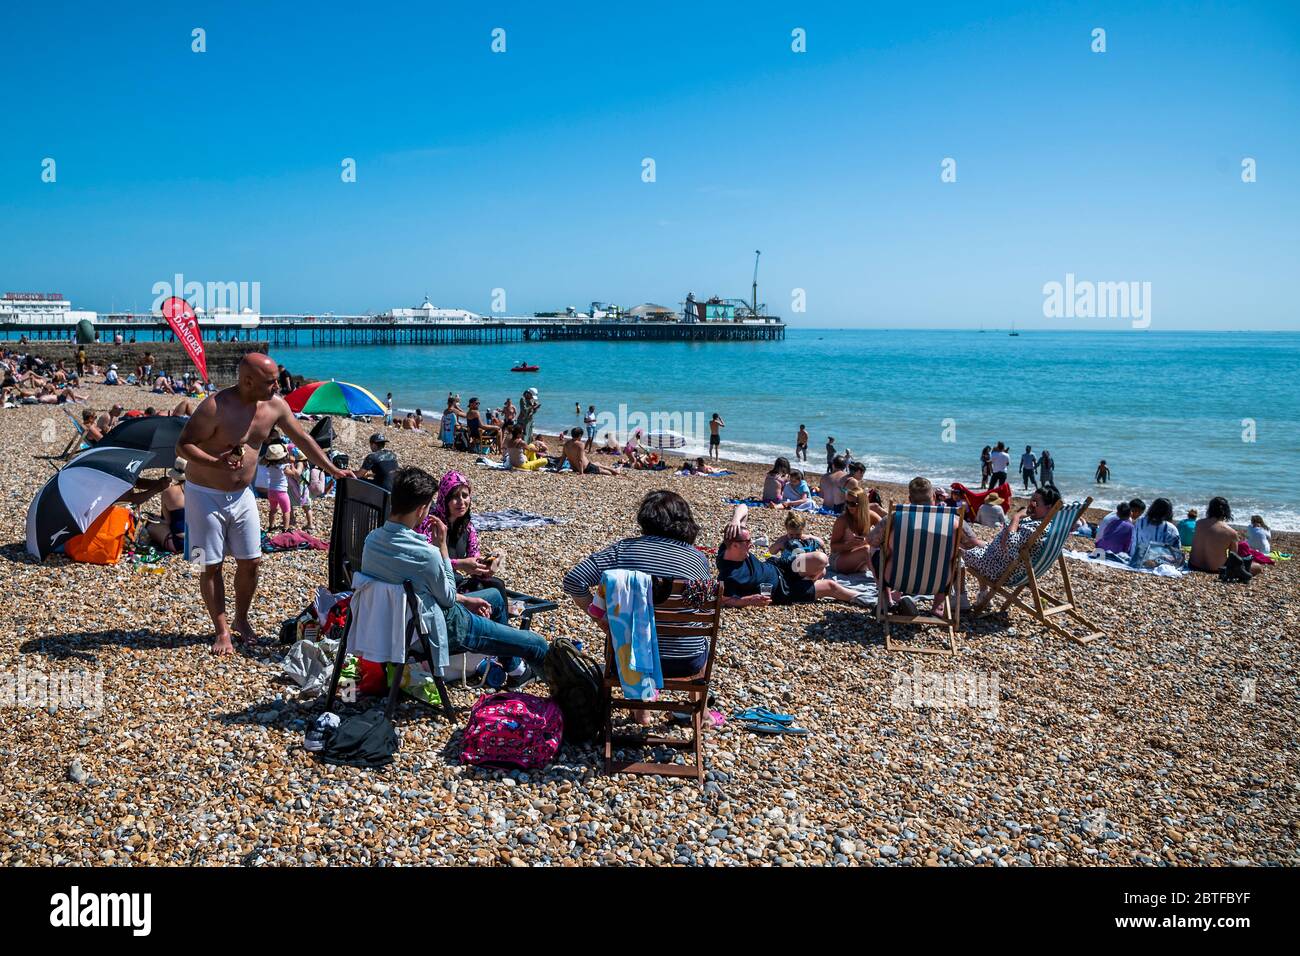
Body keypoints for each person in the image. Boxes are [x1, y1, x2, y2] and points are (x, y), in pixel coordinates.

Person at [177, 352, 351, 654]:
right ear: (247, 381)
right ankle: (222, 630)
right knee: (211, 565)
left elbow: (304, 440)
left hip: (242, 494)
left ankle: (241, 619)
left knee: (252, 560)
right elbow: (183, 445)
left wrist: (332, 469)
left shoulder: (275, 406)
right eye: (270, 383)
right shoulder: (215, 407)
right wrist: (214, 462)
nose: (277, 387)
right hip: (204, 493)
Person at [363, 467, 549, 686]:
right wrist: (442, 547)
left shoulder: (372, 541)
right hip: (441, 629)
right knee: (537, 644)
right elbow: (449, 598)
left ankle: (515, 669)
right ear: (423, 509)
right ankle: (558, 700)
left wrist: (468, 598)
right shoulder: (426, 553)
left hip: (393, 627)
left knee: (496, 596)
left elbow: (424, 590)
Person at [564, 490, 715, 674]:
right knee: (701, 641)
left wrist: (601, 619)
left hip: (625, 659)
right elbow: (705, 609)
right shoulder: (697, 559)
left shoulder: (623, 550)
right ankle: (700, 702)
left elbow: (574, 579)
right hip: (684, 662)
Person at [717, 503, 867, 607]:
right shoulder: (729, 575)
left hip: (781, 566)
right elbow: (723, 600)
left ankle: (808, 577)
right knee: (830, 586)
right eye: (747, 541)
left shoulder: (727, 547)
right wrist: (748, 601)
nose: (751, 544)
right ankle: (865, 599)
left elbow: (743, 507)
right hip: (784, 590)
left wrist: (735, 521)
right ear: (735, 545)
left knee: (820, 559)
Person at [962, 487, 1060, 605]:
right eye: (1031, 500)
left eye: (1035, 502)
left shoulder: (1036, 528)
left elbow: (1007, 544)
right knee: (968, 540)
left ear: (1048, 508)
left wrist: (1016, 517)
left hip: (1000, 569)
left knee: (957, 549)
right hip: (998, 557)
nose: (1031, 504)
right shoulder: (1043, 523)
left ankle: (960, 596)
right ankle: (983, 595)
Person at [1189, 497, 1264, 576]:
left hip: (1193, 565)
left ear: (1210, 509)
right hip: (1216, 569)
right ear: (1226, 511)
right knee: (1257, 567)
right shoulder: (1230, 532)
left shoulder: (1198, 523)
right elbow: (1234, 557)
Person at [828, 479, 874, 573]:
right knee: (866, 550)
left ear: (862, 505)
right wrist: (849, 544)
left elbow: (886, 527)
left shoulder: (869, 516)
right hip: (838, 559)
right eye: (847, 503)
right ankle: (880, 582)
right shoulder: (842, 520)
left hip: (856, 558)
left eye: (852, 504)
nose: (849, 506)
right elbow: (833, 547)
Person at [145, 458, 188, 552]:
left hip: (180, 543)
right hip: (202, 541)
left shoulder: (169, 492)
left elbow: (167, 521)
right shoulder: (204, 491)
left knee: (151, 525)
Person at [1128, 497, 1183, 568]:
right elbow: (1176, 553)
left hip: (1137, 560)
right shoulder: (1171, 528)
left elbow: (1133, 544)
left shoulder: (1139, 522)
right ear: (1169, 512)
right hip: (1159, 564)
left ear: (1152, 509)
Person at [261, 443, 292, 533]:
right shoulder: (283, 466)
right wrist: (292, 466)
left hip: (271, 491)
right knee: (286, 511)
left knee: (273, 510)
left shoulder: (269, 465)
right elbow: (291, 474)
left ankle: (271, 526)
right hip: (281, 492)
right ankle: (285, 528)